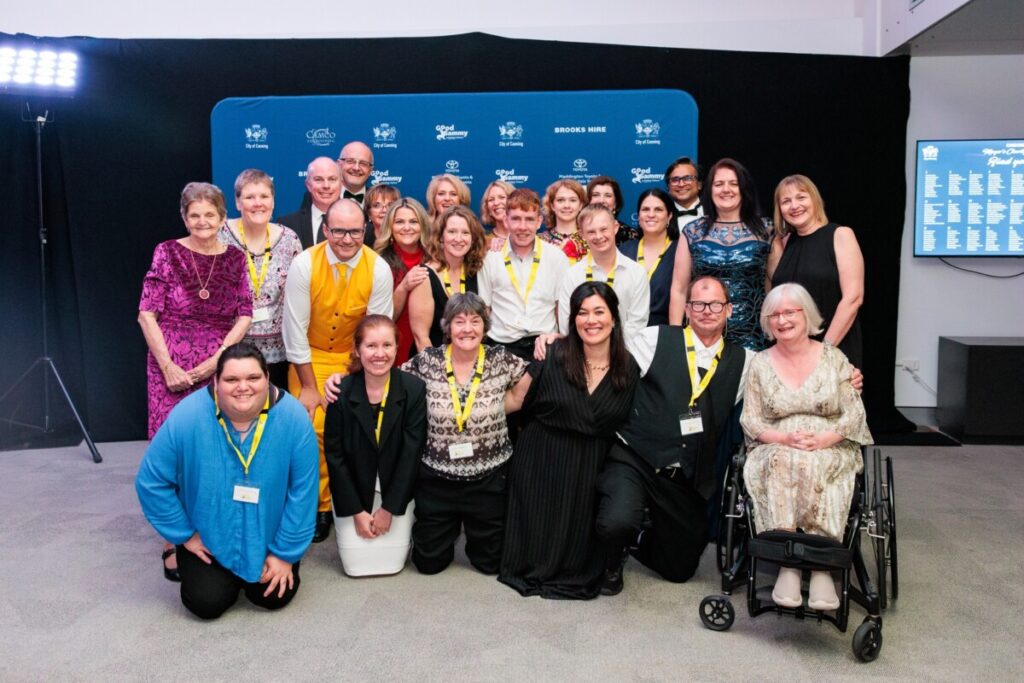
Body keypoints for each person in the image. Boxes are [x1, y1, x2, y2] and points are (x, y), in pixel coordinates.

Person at [135, 342, 319, 619]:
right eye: (231, 379)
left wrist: (284, 554)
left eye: (253, 378)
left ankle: (262, 565)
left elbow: (303, 492)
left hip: (268, 538)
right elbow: (151, 481)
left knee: (272, 597)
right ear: (217, 382)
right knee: (205, 603)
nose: (242, 387)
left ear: (267, 378)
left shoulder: (294, 418)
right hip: (209, 538)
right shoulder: (188, 415)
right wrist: (184, 534)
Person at [595, 275, 752, 593]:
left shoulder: (747, 362)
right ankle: (612, 562)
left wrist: (845, 374)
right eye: (697, 303)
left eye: (715, 304)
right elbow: (607, 371)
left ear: (729, 310)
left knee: (680, 568)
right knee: (617, 521)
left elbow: (790, 369)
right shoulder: (654, 338)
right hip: (636, 456)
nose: (706, 310)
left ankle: (640, 537)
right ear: (687, 309)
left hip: (682, 473)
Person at [139, 182, 253, 581]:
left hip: (217, 362)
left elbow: (245, 313)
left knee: (214, 450)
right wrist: (168, 365)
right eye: (194, 215)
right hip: (168, 362)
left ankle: (210, 526)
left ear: (224, 218)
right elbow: (146, 314)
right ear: (184, 218)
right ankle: (172, 539)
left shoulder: (236, 259)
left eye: (210, 215)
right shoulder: (166, 252)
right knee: (171, 452)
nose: (202, 222)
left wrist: (217, 361)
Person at [499, 282, 639, 599]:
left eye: (599, 311)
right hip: (540, 458)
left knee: (580, 558)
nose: (591, 320)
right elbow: (514, 401)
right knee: (533, 557)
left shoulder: (627, 368)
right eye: (582, 312)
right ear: (572, 319)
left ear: (614, 318)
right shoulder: (553, 354)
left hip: (589, 465)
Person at [740, 283, 872, 610]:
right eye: (774, 314)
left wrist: (827, 438)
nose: (782, 320)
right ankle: (786, 561)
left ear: (806, 315)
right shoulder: (759, 363)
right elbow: (752, 421)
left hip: (830, 443)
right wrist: (785, 438)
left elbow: (854, 412)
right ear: (767, 322)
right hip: (775, 445)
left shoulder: (833, 358)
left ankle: (822, 566)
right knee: (783, 461)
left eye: (790, 312)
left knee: (817, 463)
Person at [283, 197, 394, 544]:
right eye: (339, 231)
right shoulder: (304, 264)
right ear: (325, 230)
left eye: (355, 231)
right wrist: (311, 387)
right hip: (309, 358)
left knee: (353, 425)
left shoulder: (378, 269)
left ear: (366, 230)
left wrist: (351, 382)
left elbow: (375, 334)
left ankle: (353, 498)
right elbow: (294, 330)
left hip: (355, 359)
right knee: (312, 425)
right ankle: (319, 506)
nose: (347, 239)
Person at [400, 293, 532, 575]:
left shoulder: (500, 359)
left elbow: (531, 383)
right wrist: (343, 379)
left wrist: (501, 407)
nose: (467, 329)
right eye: (459, 321)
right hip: (437, 479)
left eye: (475, 321)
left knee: (491, 564)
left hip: (489, 479)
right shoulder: (428, 361)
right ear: (447, 327)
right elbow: (389, 381)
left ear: (485, 327)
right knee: (427, 564)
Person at [323, 315, 427, 577]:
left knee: (391, 559)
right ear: (358, 350)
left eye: (387, 345)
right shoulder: (340, 392)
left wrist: (389, 508)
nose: (379, 354)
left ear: (396, 348)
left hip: (396, 489)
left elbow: (411, 454)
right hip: (354, 489)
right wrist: (357, 511)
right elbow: (335, 456)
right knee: (356, 564)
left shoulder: (413, 389)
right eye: (371, 346)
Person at [669, 157, 772, 351]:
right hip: (701, 334)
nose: (726, 189)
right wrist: (675, 339)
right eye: (719, 184)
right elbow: (679, 289)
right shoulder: (692, 232)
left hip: (754, 336)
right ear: (709, 189)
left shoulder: (767, 231)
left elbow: (774, 287)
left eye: (734, 183)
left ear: (744, 188)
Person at [766, 174, 865, 368]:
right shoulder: (782, 244)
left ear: (815, 199)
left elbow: (853, 298)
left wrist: (823, 352)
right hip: (788, 353)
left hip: (833, 349)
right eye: (786, 201)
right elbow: (772, 296)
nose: (794, 206)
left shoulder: (840, 235)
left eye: (801, 197)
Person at [220, 169, 302, 389]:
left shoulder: (289, 239)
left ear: (273, 201)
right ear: (237, 203)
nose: (258, 203)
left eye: (264, 196)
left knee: (272, 412)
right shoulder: (220, 236)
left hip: (278, 352)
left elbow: (298, 297)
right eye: (249, 197)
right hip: (230, 347)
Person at [477, 188, 569, 361]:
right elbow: (485, 309)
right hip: (501, 346)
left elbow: (560, 308)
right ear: (506, 220)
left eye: (529, 219)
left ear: (539, 221)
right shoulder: (490, 258)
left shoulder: (556, 258)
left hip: (544, 345)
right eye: (516, 219)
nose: (522, 227)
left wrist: (563, 341)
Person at [555, 206, 650, 342]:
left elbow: (637, 324)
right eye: (591, 232)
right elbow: (567, 325)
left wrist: (611, 352)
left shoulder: (636, 273)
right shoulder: (572, 275)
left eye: (604, 229)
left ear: (615, 227)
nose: (598, 236)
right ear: (582, 234)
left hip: (624, 354)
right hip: (582, 356)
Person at [408, 204, 488, 351]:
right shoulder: (424, 277)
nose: (459, 239)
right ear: (440, 238)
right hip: (433, 363)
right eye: (452, 232)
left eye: (465, 233)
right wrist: (439, 371)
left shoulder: (479, 271)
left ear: (473, 239)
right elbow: (421, 338)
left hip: (472, 360)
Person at [374, 198, 432, 365]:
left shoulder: (436, 258)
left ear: (422, 226)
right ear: (390, 228)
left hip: (429, 344)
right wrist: (404, 287)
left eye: (414, 222)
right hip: (393, 347)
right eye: (399, 222)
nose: (407, 227)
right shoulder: (378, 263)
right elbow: (383, 319)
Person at [620, 188, 679, 326]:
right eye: (645, 209)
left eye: (658, 210)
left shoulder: (680, 250)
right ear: (638, 215)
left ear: (669, 216)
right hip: (627, 334)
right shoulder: (624, 249)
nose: (651, 214)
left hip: (664, 334)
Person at [278, 157, 342, 250]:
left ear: (341, 183)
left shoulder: (358, 223)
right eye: (318, 179)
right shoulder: (287, 225)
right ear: (308, 185)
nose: (326, 186)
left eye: (332, 179)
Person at [539, 179, 588, 262]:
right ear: (552, 205)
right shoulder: (539, 241)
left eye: (572, 200)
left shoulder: (591, 239)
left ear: (580, 205)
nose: (567, 205)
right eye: (560, 200)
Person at [587, 175, 637, 244]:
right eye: (596, 195)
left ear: (615, 203)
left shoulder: (630, 234)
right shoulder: (578, 233)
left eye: (608, 195)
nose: (601, 200)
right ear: (588, 200)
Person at [664, 157, 704, 226]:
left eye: (687, 178)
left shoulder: (715, 212)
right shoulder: (661, 217)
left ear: (699, 185)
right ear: (668, 187)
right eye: (675, 180)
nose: (681, 184)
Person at [338, 141, 375, 208]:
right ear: (339, 165)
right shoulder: (322, 197)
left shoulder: (377, 201)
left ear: (370, 171)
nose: (356, 168)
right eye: (350, 161)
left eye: (363, 163)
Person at [364, 183, 400, 251]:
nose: (384, 210)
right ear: (369, 213)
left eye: (390, 205)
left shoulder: (404, 239)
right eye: (377, 205)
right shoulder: (362, 239)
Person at [480, 179, 514, 250]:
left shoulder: (528, 236)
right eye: (491, 199)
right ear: (487, 208)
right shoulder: (481, 241)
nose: (496, 203)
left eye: (502, 197)